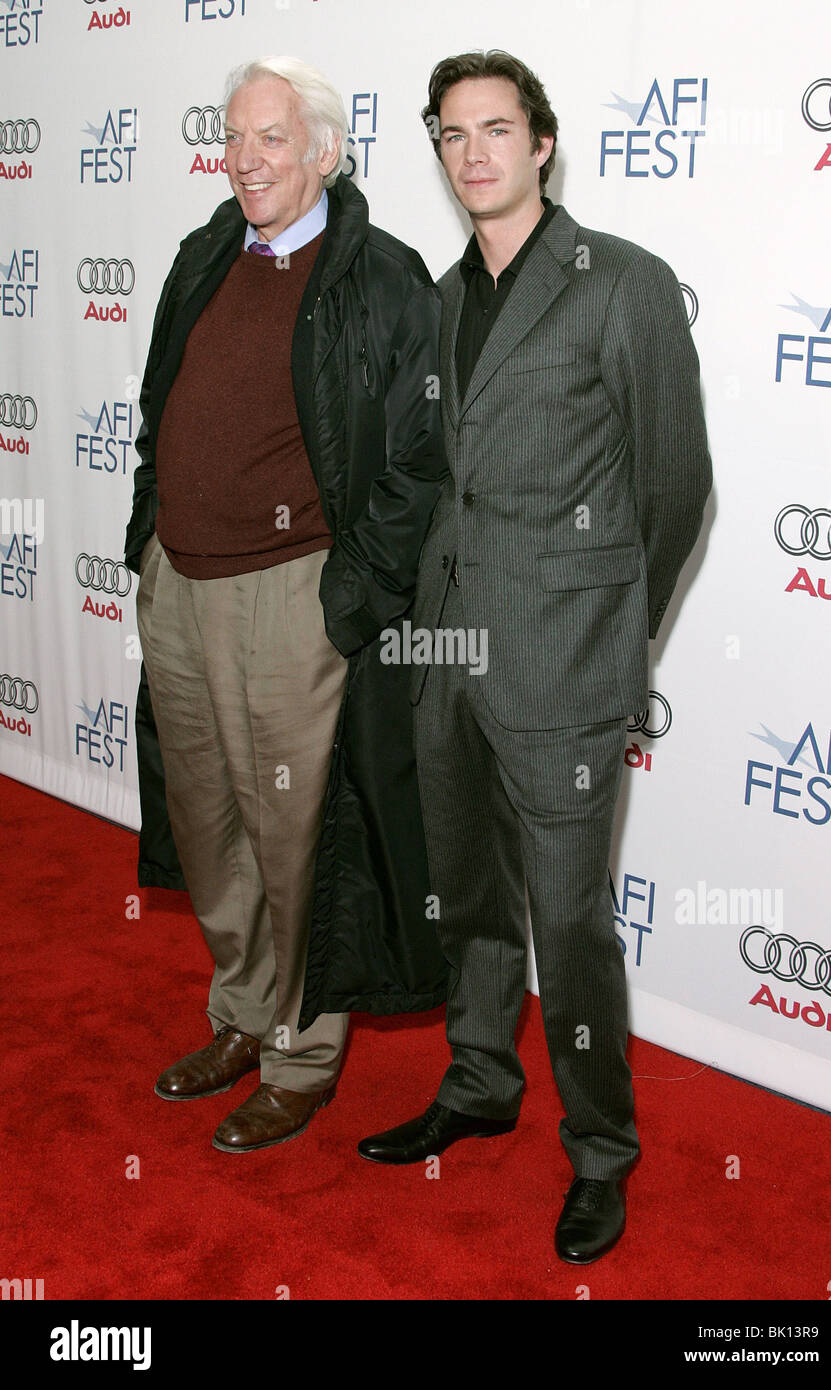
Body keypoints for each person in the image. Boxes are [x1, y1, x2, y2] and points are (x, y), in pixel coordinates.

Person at [358, 50, 712, 1263]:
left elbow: (676, 484)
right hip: (447, 653)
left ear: (542, 144)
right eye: (451, 134)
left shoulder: (620, 283)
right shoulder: (447, 294)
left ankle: (600, 1150)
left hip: (562, 666)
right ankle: (477, 1080)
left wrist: (614, 628)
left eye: (496, 129)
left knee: (568, 930)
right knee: (466, 896)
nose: (473, 153)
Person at [125, 55, 447, 1154]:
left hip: (289, 597)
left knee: (292, 835)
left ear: (323, 150)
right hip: (180, 583)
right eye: (232, 136)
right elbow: (158, 401)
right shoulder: (202, 253)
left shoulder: (382, 277)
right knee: (208, 825)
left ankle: (300, 1057)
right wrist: (145, 533)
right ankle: (241, 1015)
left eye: (270, 138)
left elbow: (417, 461)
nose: (245, 158)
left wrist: (347, 594)